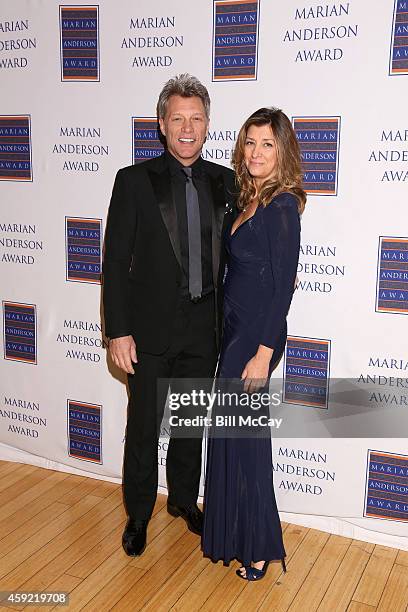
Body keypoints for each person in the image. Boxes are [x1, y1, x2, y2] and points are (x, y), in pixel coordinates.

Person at [103, 74, 235, 556]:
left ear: (207, 125)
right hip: (149, 330)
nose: (187, 127)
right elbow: (115, 261)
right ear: (161, 124)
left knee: (189, 425)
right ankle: (138, 513)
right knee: (142, 427)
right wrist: (117, 330)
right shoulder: (134, 181)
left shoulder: (226, 181)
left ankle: (183, 501)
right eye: (177, 117)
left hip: (205, 328)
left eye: (196, 118)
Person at [202, 107, 306, 580]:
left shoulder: (282, 205)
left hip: (256, 336)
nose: (256, 152)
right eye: (250, 142)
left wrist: (264, 353)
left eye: (267, 144)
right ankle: (234, 536)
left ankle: (261, 547)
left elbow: (283, 285)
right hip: (235, 328)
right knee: (231, 435)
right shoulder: (248, 199)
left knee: (246, 439)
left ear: (282, 151)